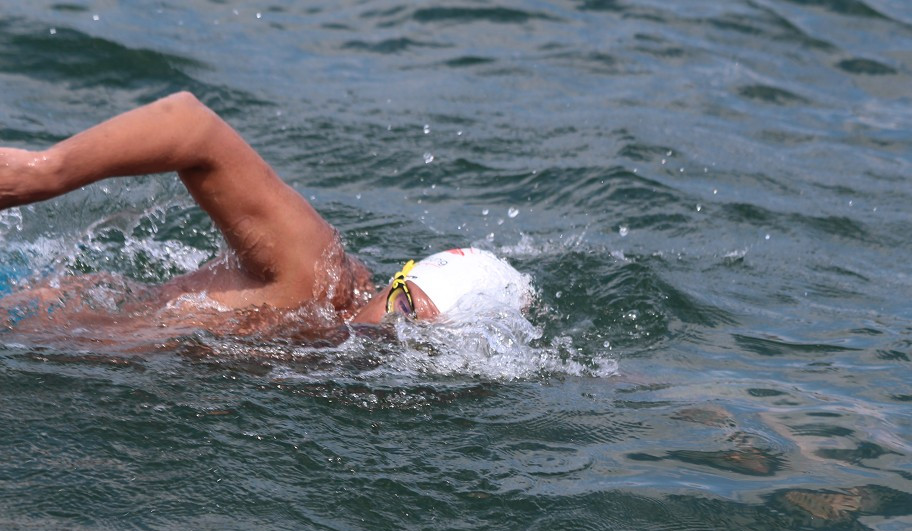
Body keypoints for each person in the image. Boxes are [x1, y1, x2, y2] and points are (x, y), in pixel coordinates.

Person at [0, 92, 528, 337]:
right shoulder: (315, 278)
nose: (398, 336)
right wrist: (44, 172)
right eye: (407, 311)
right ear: (398, 281)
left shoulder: (335, 354)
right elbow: (191, 127)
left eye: (432, 345)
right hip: (24, 318)